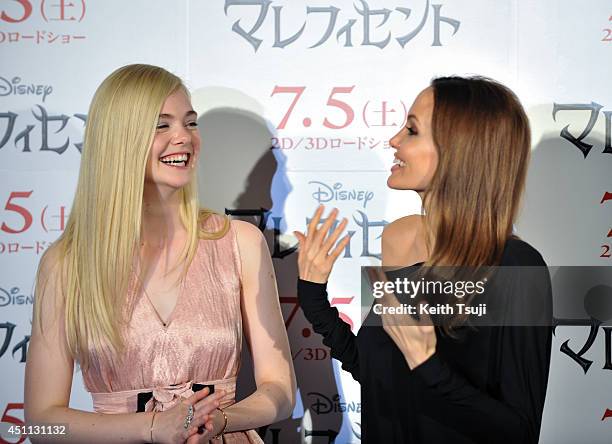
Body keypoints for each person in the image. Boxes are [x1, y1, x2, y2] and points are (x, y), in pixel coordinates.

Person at [24, 64, 296, 443]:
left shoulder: (240, 243)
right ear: (120, 139)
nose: (183, 137)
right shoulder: (67, 264)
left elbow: (280, 392)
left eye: (190, 122)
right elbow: (40, 423)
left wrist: (217, 421)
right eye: (161, 125)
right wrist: (151, 427)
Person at [294, 76, 552, 443]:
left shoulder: (517, 267)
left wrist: (430, 366)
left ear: (459, 150)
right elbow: (382, 376)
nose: (394, 140)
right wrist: (313, 296)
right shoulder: (401, 239)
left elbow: (519, 431)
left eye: (412, 130)